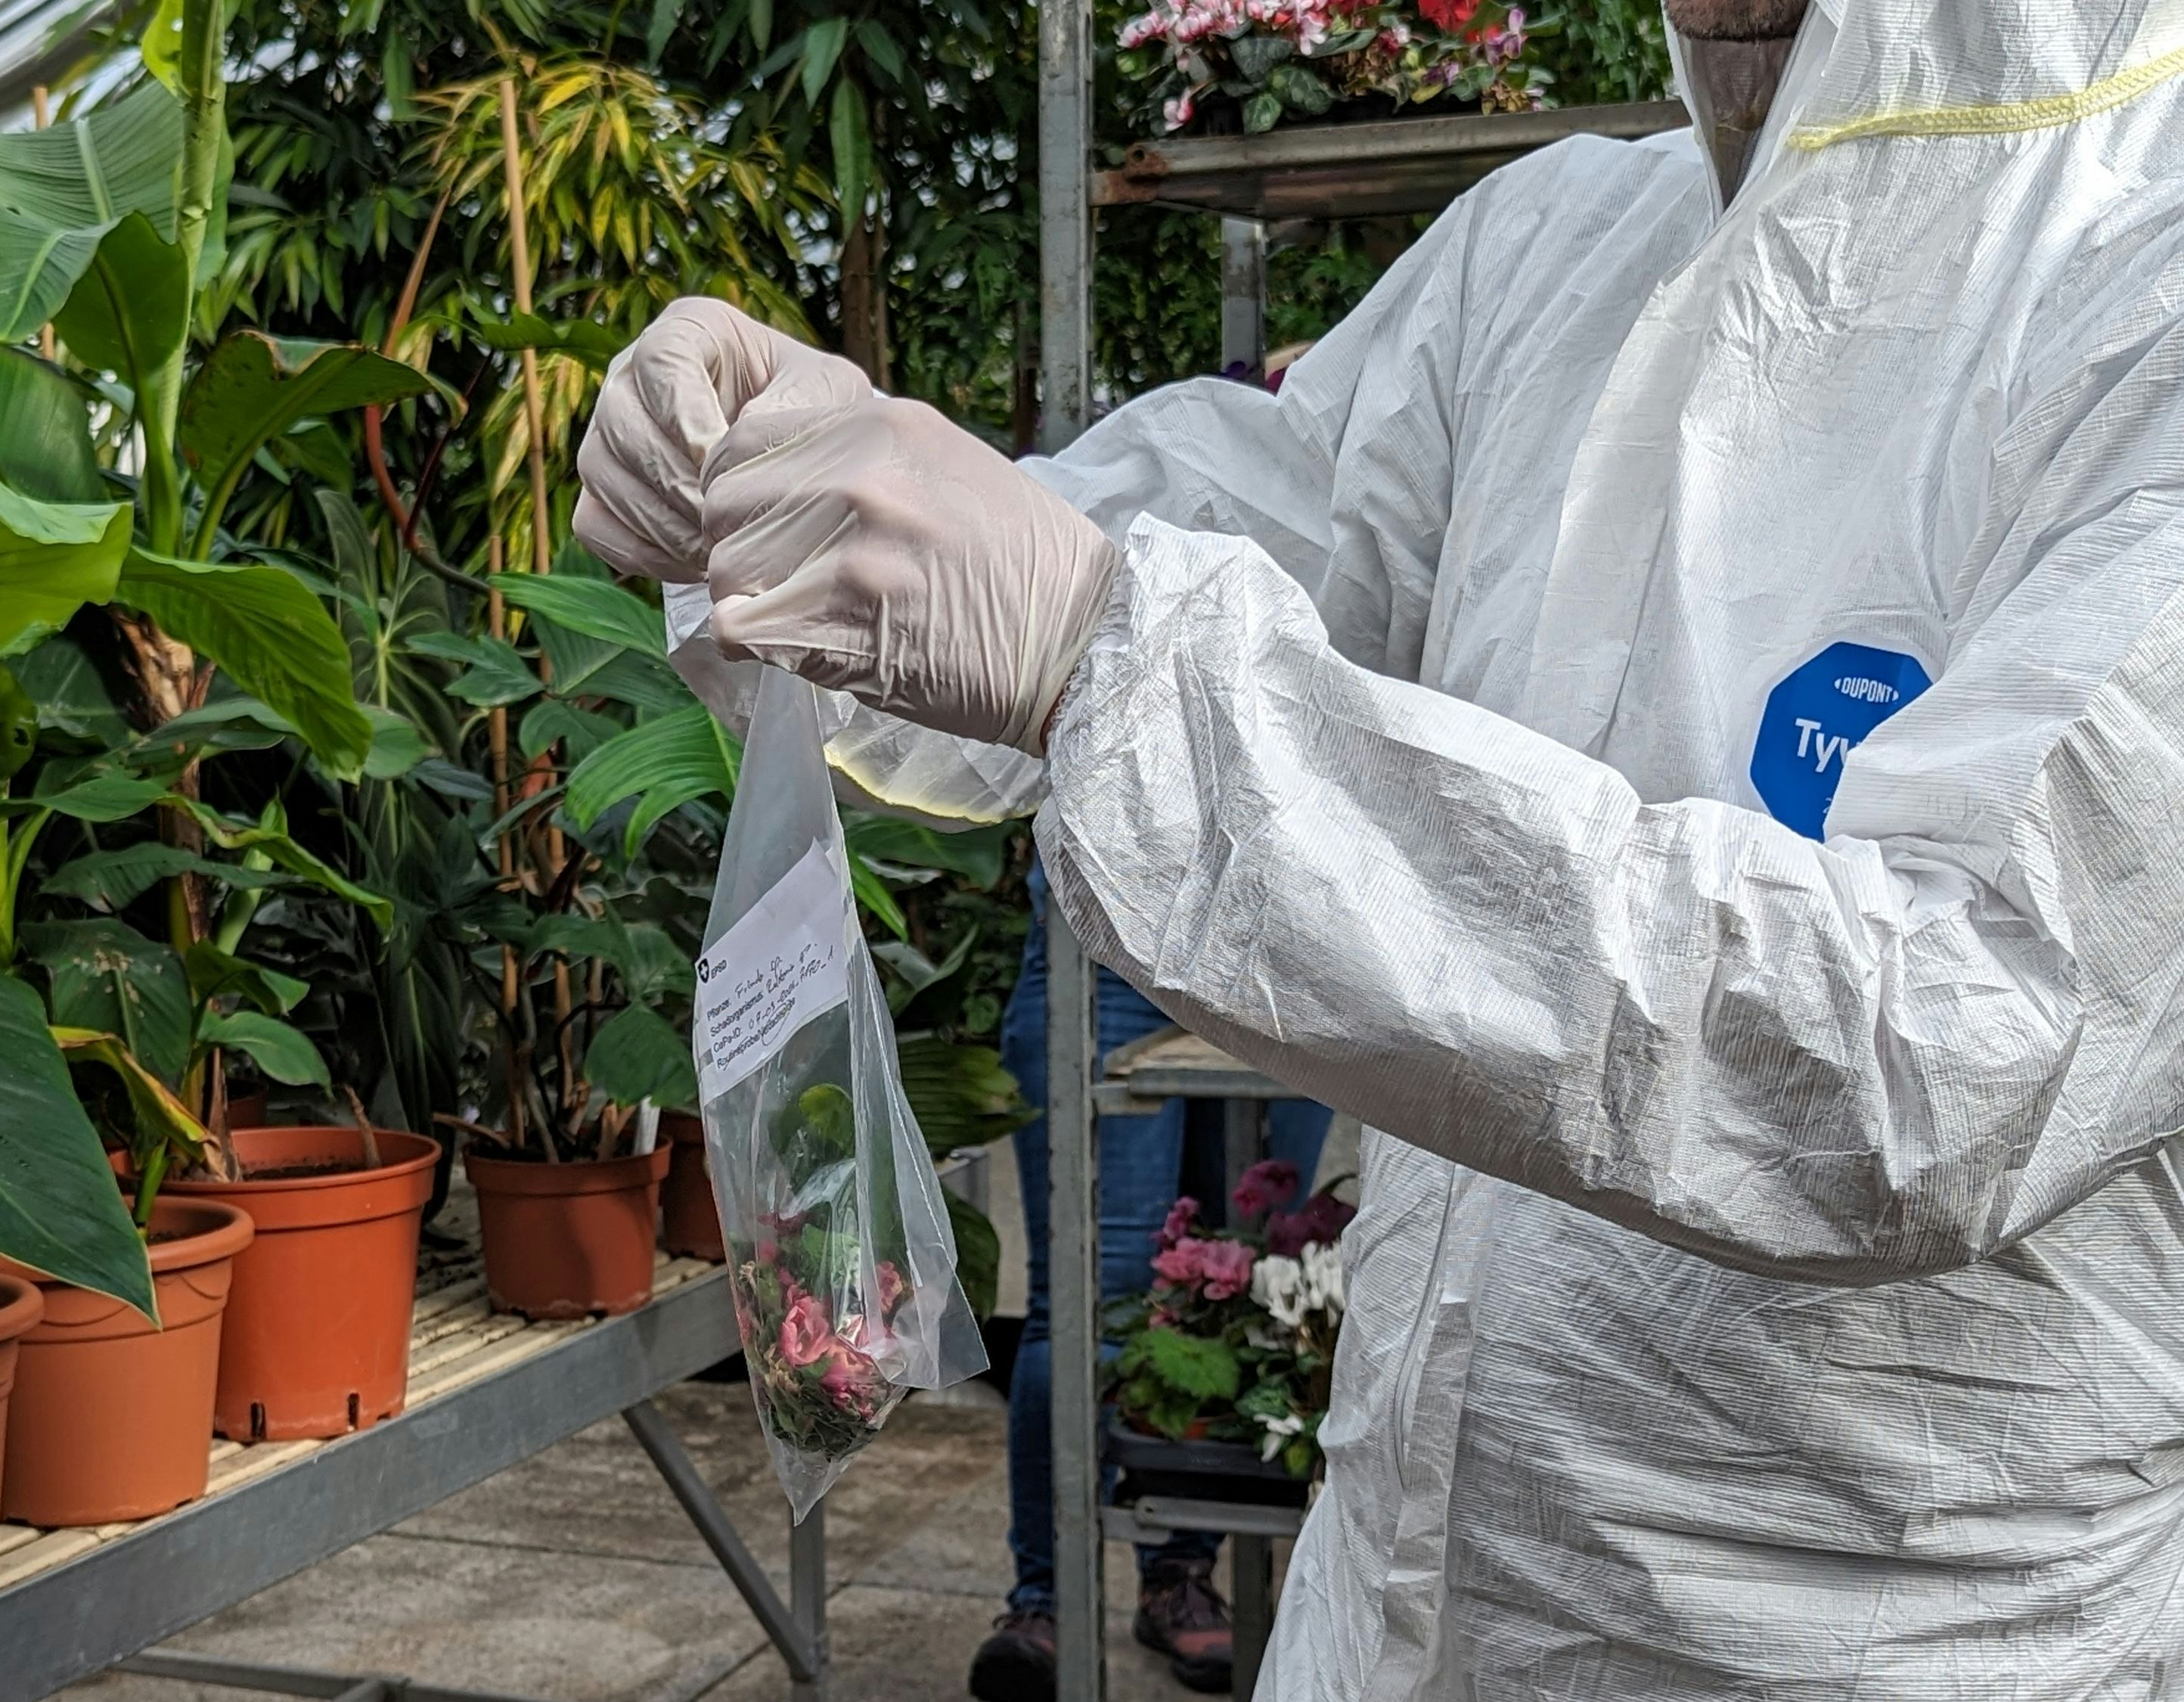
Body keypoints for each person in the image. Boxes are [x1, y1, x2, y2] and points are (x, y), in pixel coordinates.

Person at [572, 0, 2184, 1697]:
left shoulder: (2134, 279)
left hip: (1856, 1649)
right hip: (1395, 1598)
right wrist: (808, 485)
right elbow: (1230, 518)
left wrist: (1104, 656)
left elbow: (1931, 1048)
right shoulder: (1558, 245)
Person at [986, 860, 1332, 1699]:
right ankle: (1046, 1599)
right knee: (1082, 1302)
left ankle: (1178, 1572)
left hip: (1285, 948)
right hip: (1111, 939)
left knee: (1241, 1292)